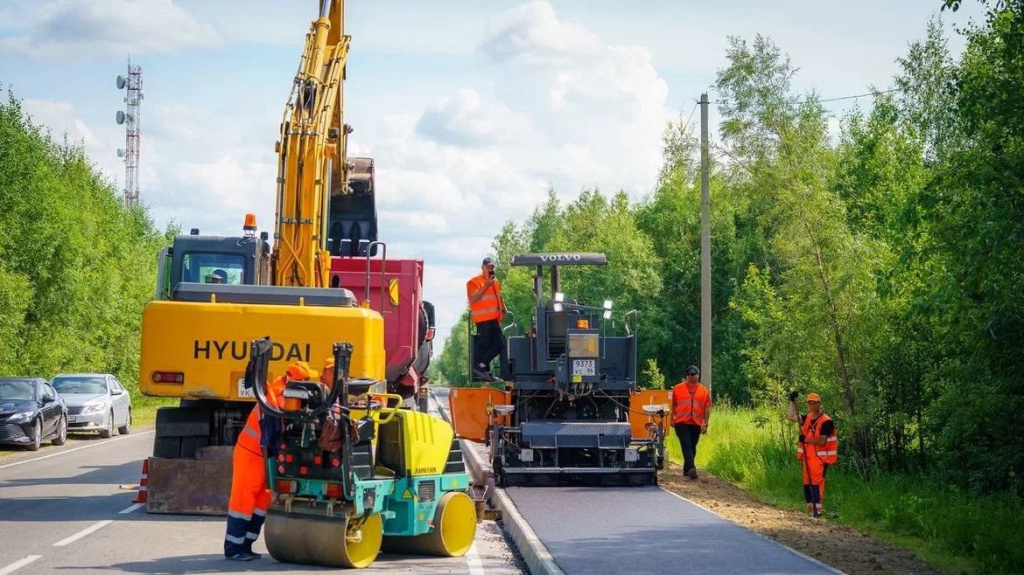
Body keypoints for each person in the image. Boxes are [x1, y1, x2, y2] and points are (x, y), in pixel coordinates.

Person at [224, 361, 319, 561]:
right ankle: (233, 547)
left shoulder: (284, 392)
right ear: (295, 381)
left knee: (261, 500)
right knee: (243, 500)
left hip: (264, 455)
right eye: (306, 381)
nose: (309, 384)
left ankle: (246, 544)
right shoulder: (280, 397)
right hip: (250, 453)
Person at [786, 391, 837, 517]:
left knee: (816, 484)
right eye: (810, 403)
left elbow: (822, 441)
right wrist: (792, 401)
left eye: (814, 403)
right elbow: (790, 416)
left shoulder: (826, 421)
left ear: (819, 404)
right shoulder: (807, 417)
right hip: (808, 458)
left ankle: (817, 512)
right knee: (807, 485)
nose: (812, 405)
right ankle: (811, 511)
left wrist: (806, 439)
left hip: (820, 459)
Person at [466, 256, 507, 382]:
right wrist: (485, 286)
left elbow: (497, 296)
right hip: (482, 319)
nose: (490, 269)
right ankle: (482, 368)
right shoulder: (474, 282)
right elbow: (473, 299)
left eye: (492, 267)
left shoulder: (495, 281)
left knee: (500, 344)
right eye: (488, 267)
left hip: (493, 318)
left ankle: (482, 367)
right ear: (482, 267)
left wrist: (503, 307)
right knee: (486, 345)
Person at [670, 365, 712, 479]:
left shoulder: (703, 390)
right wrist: (671, 419)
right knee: (686, 444)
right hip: (681, 422)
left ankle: (686, 470)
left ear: (698, 376)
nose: (689, 376)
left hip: (696, 423)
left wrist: (705, 424)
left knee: (692, 447)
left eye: (692, 374)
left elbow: (707, 408)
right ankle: (692, 468)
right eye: (688, 374)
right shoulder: (678, 388)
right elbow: (673, 405)